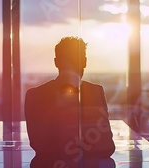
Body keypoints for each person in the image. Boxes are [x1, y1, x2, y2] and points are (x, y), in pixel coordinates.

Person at [25, 37, 115, 167]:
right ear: (85, 62)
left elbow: (42, 147)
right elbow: (106, 147)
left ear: (56, 62)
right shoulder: (95, 92)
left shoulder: (35, 95)